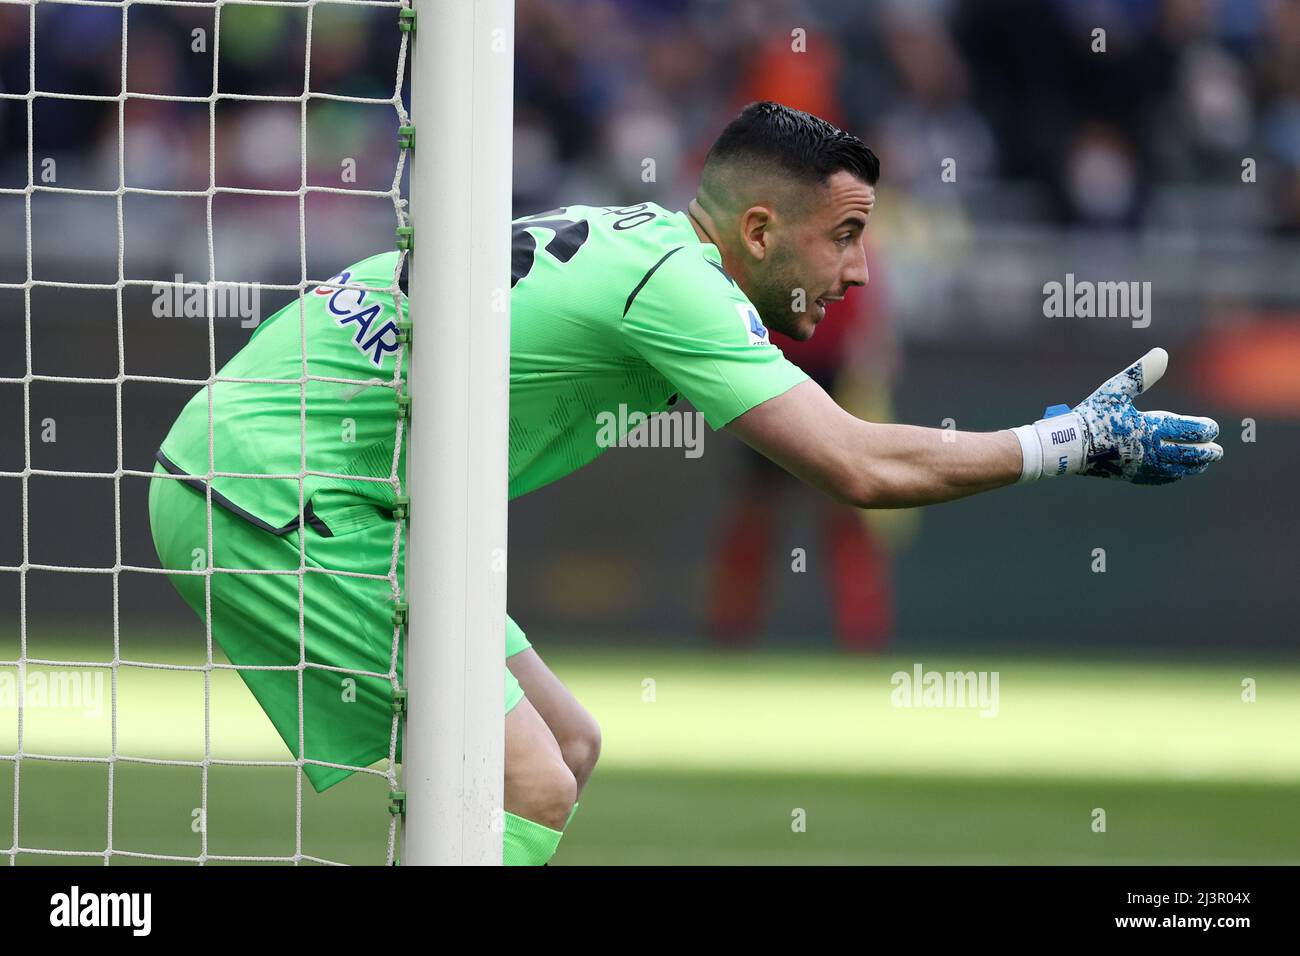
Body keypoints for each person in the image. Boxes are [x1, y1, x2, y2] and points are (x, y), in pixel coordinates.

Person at [148, 101, 1224, 866]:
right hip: (273, 479)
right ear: (758, 230)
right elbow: (857, 465)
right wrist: (1064, 444)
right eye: (843, 238)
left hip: (328, 483)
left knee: (565, 746)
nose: (855, 273)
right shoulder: (681, 288)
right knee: (523, 777)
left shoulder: (637, 241)